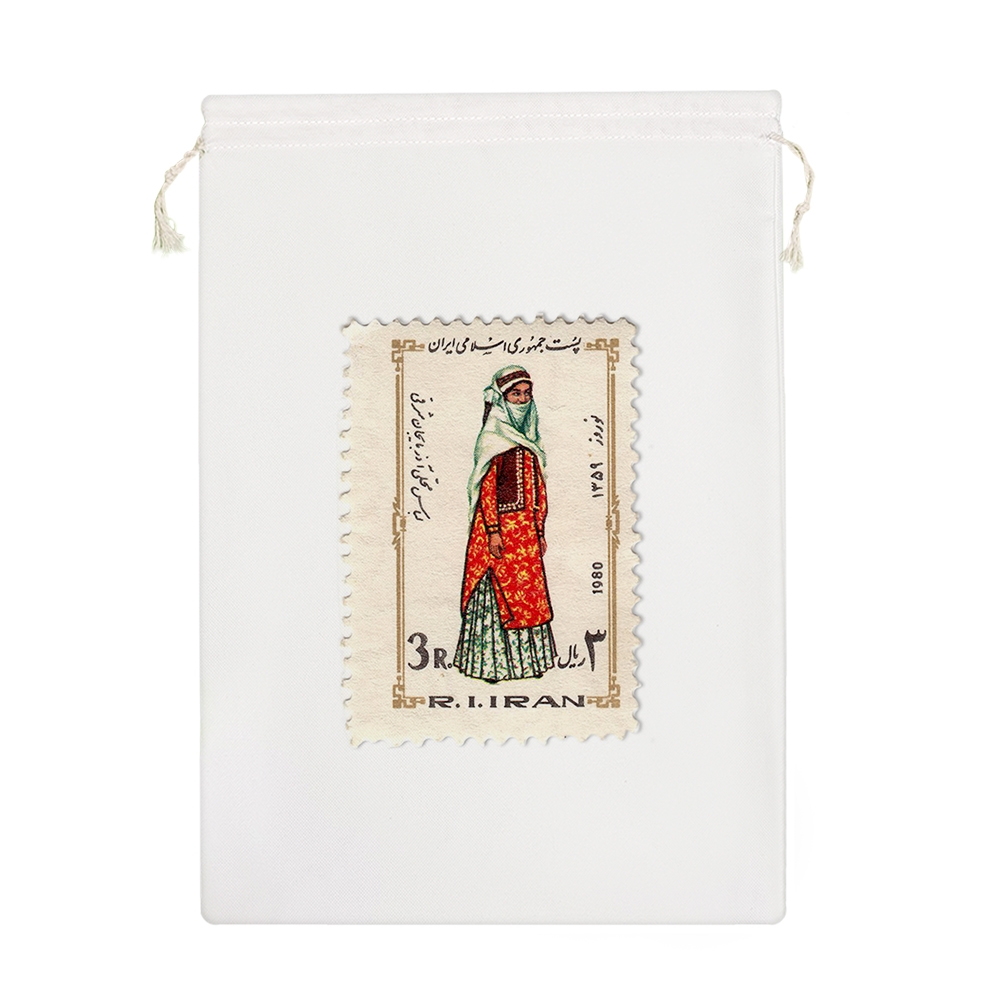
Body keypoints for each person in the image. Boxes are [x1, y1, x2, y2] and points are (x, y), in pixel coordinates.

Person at [453, 365, 556, 682]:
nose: (522, 400)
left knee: (529, 599)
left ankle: (529, 664)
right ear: (502, 399)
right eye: (515, 394)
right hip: (496, 534)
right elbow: (487, 492)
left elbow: (537, 491)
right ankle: (490, 667)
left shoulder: (530, 443)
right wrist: (494, 533)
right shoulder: (493, 440)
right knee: (496, 595)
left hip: (525, 535)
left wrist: (539, 530)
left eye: (527, 394)